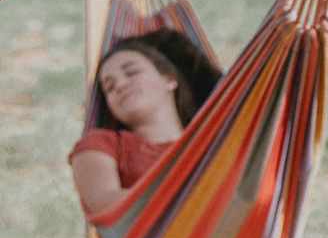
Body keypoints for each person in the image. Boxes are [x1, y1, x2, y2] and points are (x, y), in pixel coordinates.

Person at [69, 30, 222, 218]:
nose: (120, 85)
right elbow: (104, 203)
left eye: (131, 72)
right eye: (109, 86)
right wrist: (198, 200)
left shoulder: (214, 143)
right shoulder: (104, 144)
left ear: (169, 79)